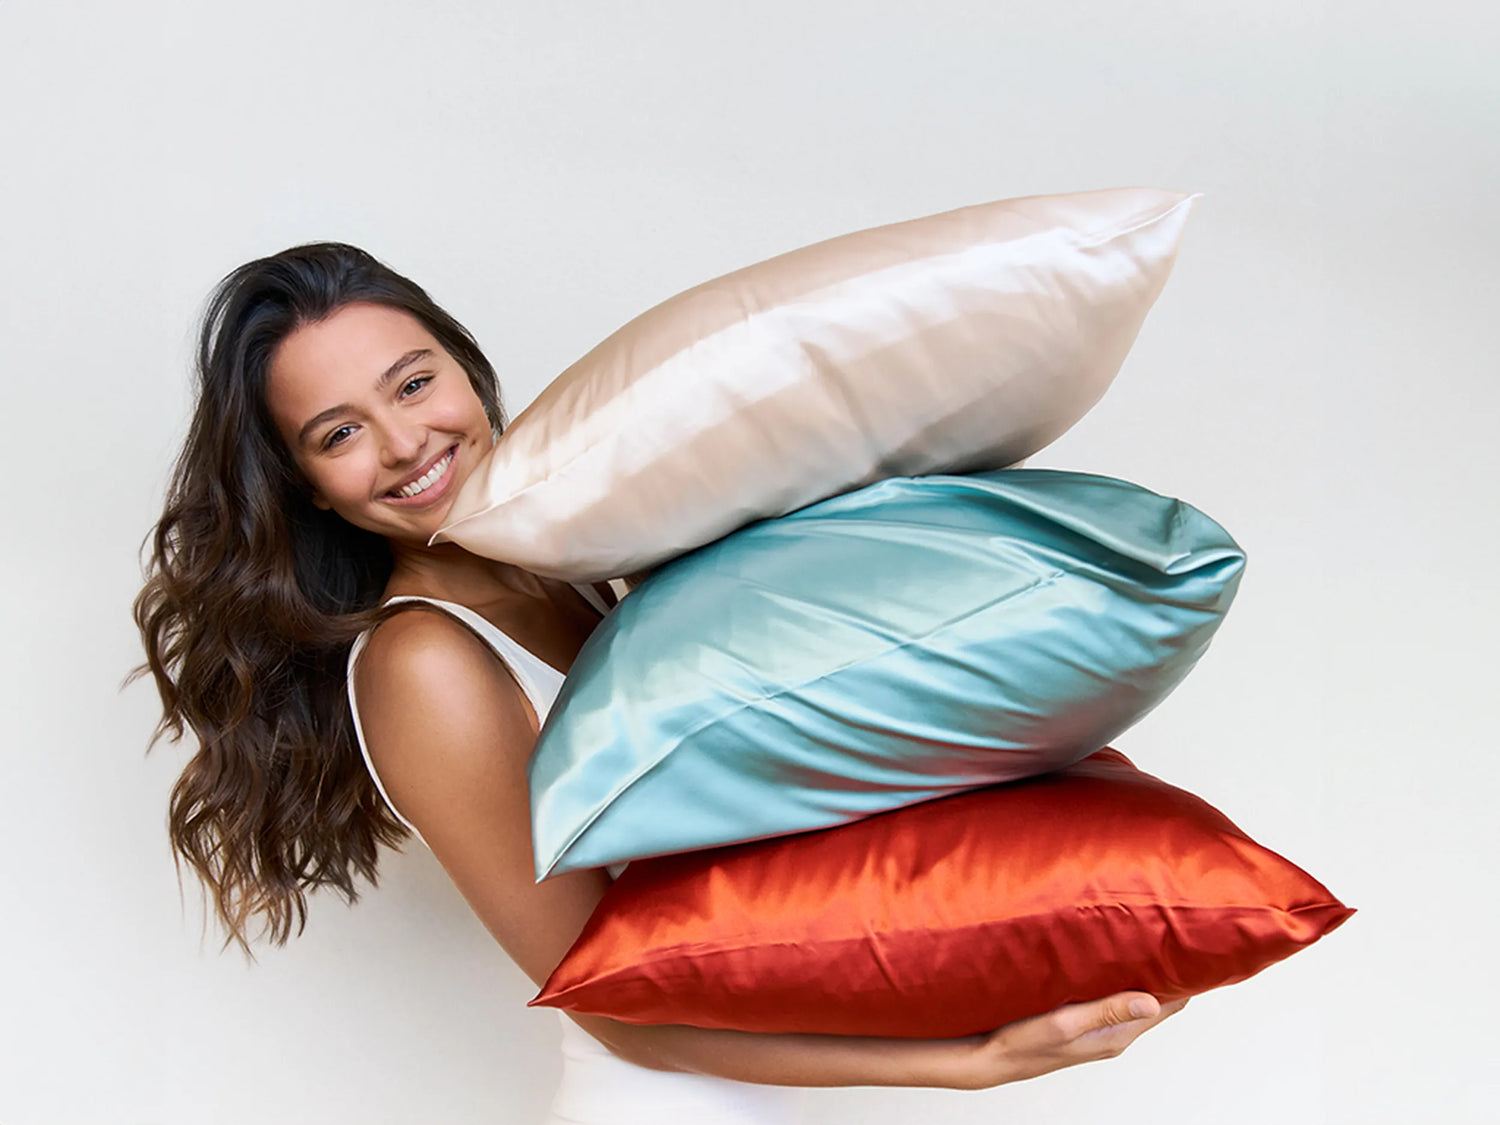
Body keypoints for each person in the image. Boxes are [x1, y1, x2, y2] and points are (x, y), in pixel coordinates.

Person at [133, 242, 1187, 1124]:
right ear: (310, 490)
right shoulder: (424, 662)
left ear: (467, 370)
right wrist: (970, 1062)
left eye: (414, 383)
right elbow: (615, 1005)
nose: (407, 442)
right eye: (339, 434)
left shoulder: (592, 562)